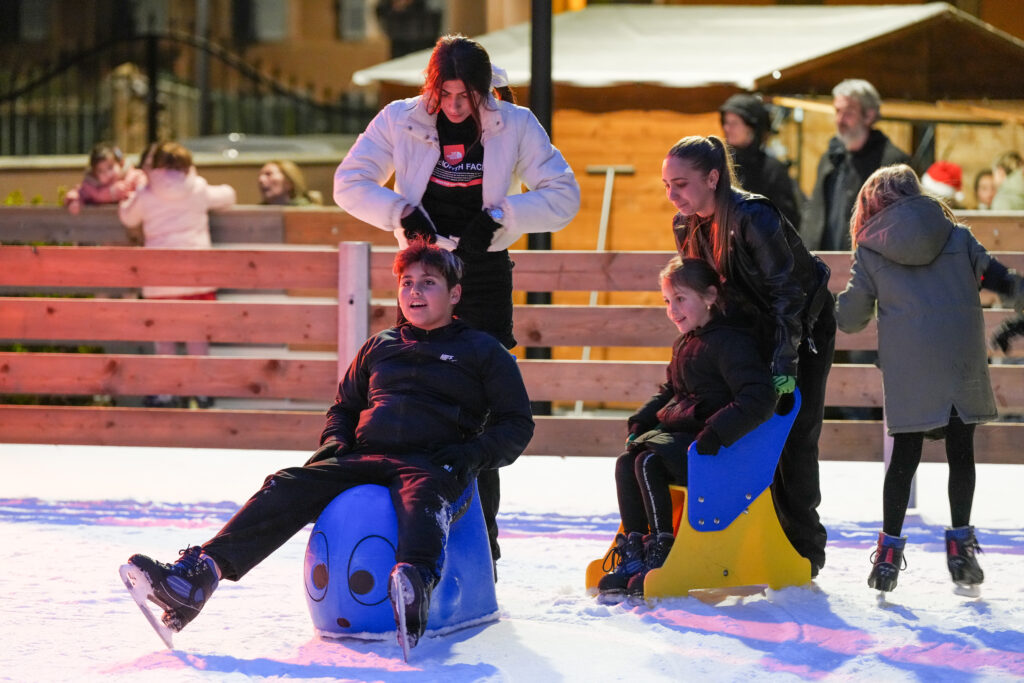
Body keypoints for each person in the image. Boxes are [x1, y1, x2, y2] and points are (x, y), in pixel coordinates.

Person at [120, 242, 535, 651]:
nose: (414, 292)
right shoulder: (380, 345)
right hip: (364, 456)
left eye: (428, 283)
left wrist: (471, 456)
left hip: (431, 462)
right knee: (286, 483)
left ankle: (415, 586)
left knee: (421, 500)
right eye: (407, 283)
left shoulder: (482, 351)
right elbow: (345, 407)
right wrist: (337, 442)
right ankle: (198, 577)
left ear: (454, 293)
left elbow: (516, 424)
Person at [334, 34, 580, 568]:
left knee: (478, 413)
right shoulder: (402, 118)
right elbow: (349, 182)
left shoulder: (514, 123)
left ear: (485, 89)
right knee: (415, 399)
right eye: (444, 93)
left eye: (465, 94)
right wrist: (400, 212)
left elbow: (564, 195)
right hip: (424, 273)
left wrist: (502, 218)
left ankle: (480, 549)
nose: (453, 105)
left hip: (484, 274)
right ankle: (413, 537)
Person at [835, 164, 1024, 594]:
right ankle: (961, 552)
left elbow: (851, 318)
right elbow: (998, 280)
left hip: (910, 369)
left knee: (904, 458)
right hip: (960, 361)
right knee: (962, 454)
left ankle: (887, 557)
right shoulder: (957, 236)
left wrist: (821, 307)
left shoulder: (871, 249)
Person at [661, 135, 835, 576]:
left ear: (713, 177)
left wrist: (784, 363)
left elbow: (786, 293)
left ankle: (804, 549)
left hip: (801, 327)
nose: (672, 195)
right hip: (746, 332)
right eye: (666, 185)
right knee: (741, 428)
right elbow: (704, 293)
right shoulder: (687, 226)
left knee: (792, 433)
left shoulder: (752, 216)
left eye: (681, 183)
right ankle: (748, 537)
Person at [597, 256, 777, 601]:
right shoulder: (685, 343)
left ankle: (662, 548)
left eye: (680, 299)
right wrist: (642, 420)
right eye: (667, 301)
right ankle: (634, 548)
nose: (672, 309)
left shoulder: (730, 342)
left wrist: (716, 432)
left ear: (709, 296)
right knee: (626, 462)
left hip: (714, 449)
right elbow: (671, 391)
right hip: (683, 437)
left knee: (647, 463)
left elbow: (758, 395)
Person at [118, 141, 236, 408]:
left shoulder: (146, 193)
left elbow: (128, 218)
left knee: (165, 340)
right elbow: (228, 196)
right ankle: (202, 391)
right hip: (197, 276)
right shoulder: (197, 188)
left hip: (160, 278)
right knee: (198, 338)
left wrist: (129, 195)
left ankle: (165, 392)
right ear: (187, 165)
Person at [801, 79, 911, 251]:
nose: (839, 120)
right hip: (823, 265)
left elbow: (897, 224)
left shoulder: (892, 164)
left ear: (869, 115)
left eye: (848, 113)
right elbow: (815, 214)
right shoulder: (830, 158)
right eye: (837, 111)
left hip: (865, 268)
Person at [719, 93, 802, 229]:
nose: (727, 129)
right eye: (726, 123)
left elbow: (787, 221)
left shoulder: (773, 169)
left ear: (752, 128)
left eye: (734, 123)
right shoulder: (720, 165)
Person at [63, 142, 144, 215]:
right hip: (103, 225)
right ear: (95, 175)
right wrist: (74, 201)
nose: (107, 174)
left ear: (120, 163)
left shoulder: (132, 177)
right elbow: (78, 193)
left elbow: (144, 188)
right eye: (101, 171)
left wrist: (135, 197)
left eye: (110, 167)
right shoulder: (91, 188)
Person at [257, 160, 322, 206]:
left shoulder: (308, 212)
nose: (261, 180)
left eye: (269, 174)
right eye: (260, 175)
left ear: (289, 182)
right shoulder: (257, 214)